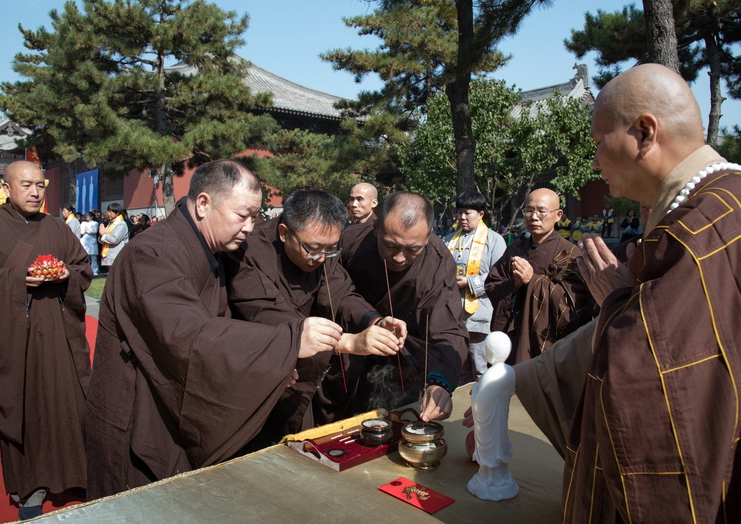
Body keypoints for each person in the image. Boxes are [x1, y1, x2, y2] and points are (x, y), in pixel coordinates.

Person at [85, 160, 341, 499]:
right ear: (203, 204)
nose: (251, 227)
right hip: (140, 415)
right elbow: (189, 336)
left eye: (256, 216)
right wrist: (288, 342)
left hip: (174, 407)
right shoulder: (151, 253)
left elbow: (244, 312)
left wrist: (268, 364)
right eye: (243, 215)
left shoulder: (216, 250)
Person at [566, 63, 741, 522]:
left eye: (599, 141)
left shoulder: (702, 228)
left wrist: (618, 302)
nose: (593, 162)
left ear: (645, 134)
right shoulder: (729, 204)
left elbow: (658, 388)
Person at [0, 160, 92, 520]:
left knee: (69, 403)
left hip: (59, 337)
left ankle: (75, 474)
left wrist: (65, 274)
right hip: (15, 340)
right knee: (25, 408)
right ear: (7, 187)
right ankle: (29, 484)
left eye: (41, 186)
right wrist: (17, 280)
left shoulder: (58, 229)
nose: (35, 192)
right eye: (27, 185)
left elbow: (83, 268)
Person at [221, 189, 406, 445]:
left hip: (307, 373)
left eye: (331, 250)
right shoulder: (249, 251)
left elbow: (341, 293)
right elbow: (266, 313)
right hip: (259, 372)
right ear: (285, 233)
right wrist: (347, 343)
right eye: (313, 249)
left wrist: (373, 320)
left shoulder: (322, 252)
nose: (320, 258)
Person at [318, 191, 469, 424]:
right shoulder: (350, 241)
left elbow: (447, 324)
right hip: (350, 349)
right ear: (376, 227)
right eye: (390, 245)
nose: (399, 258)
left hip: (405, 359)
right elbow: (334, 292)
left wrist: (440, 383)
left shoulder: (437, 261)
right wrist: (371, 321)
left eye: (413, 249)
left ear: (428, 235)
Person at [485, 188, 596, 364]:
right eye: (529, 210)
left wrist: (533, 281)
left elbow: (575, 308)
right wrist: (515, 284)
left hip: (549, 344)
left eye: (542, 211)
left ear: (558, 215)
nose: (534, 216)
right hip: (513, 339)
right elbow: (492, 285)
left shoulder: (570, 255)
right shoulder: (515, 250)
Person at [443, 190, 506, 383]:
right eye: (459, 212)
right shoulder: (449, 240)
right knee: (458, 369)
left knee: (480, 369)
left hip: (480, 316)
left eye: (467, 212)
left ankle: (482, 410)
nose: (462, 217)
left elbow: (501, 276)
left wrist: (469, 282)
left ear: (480, 214)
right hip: (453, 316)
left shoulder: (494, 240)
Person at [98, 202, 128, 270]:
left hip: (116, 254)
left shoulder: (121, 224)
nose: (108, 213)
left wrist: (103, 235)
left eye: (110, 211)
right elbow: (104, 235)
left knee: (117, 275)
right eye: (107, 211)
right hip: (110, 254)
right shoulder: (111, 223)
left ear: (117, 213)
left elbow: (114, 239)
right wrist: (101, 235)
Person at [80, 211, 100, 276]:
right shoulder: (83, 223)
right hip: (85, 241)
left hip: (92, 241)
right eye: (86, 216)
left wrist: (87, 230)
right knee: (86, 256)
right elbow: (81, 231)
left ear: (92, 217)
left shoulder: (95, 223)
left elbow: (94, 231)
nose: (87, 217)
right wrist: (86, 231)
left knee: (93, 257)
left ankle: (94, 270)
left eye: (88, 216)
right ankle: (87, 270)